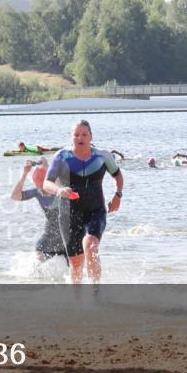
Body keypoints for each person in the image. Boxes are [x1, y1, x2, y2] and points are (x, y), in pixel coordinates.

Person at [42, 120, 124, 284]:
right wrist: (59, 190)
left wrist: (117, 195)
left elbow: (117, 176)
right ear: (71, 137)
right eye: (76, 134)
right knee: (76, 265)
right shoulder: (62, 156)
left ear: (90, 136)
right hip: (69, 214)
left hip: (96, 210)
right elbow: (46, 183)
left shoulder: (102, 156)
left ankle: (95, 293)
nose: (80, 137)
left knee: (90, 245)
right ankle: (78, 301)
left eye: (84, 134)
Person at [10, 159, 67, 262]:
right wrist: (24, 174)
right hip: (50, 235)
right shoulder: (37, 192)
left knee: (75, 271)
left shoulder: (61, 189)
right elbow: (15, 196)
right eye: (39, 187)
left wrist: (47, 167)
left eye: (43, 187)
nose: (41, 190)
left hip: (68, 236)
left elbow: (59, 181)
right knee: (38, 258)